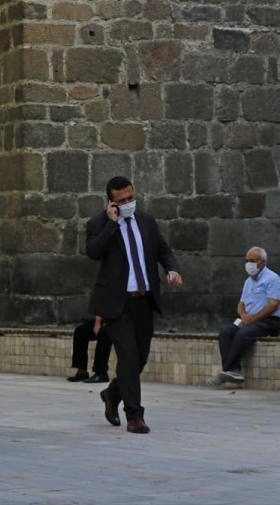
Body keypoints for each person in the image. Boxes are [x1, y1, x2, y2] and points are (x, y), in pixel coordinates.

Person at [86, 176, 183, 434]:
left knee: (138, 360)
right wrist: (111, 224)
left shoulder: (147, 221)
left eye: (131, 198)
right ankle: (135, 416)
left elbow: (163, 250)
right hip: (117, 304)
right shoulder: (98, 223)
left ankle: (111, 394)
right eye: (122, 201)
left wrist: (172, 269)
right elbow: (93, 252)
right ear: (111, 202)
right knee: (128, 357)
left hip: (144, 300)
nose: (128, 203)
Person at [207, 246, 280, 386]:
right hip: (249, 320)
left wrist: (252, 319)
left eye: (252, 260)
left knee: (243, 334)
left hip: (268, 321)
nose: (249, 264)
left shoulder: (273, 279)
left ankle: (226, 370)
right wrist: (244, 316)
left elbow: (273, 305)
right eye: (247, 260)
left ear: (262, 262)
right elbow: (240, 304)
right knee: (225, 332)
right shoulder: (249, 281)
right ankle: (234, 370)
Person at [66, 315, 112, 383]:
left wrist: (98, 324)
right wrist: (98, 323)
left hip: (123, 319)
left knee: (103, 332)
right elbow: (101, 305)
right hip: (108, 317)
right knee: (80, 331)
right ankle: (82, 371)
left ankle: (101, 373)